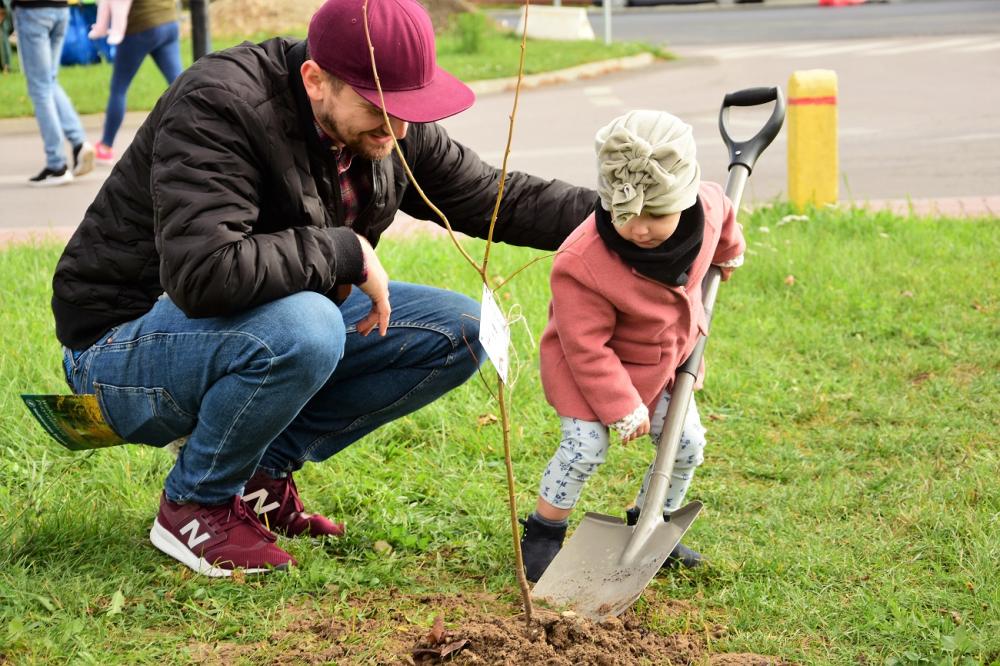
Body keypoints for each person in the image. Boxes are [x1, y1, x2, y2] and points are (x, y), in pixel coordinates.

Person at [52, 0, 596, 577]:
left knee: (457, 331)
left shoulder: (383, 117)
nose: (401, 128)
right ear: (315, 80)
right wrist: (344, 249)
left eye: (409, 109)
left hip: (252, 321)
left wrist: (633, 221)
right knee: (306, 326)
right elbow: (203, 272)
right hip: (122, 346)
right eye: (380, 109)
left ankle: (260, 475)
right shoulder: (219, 106)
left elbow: (492, 196)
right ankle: (196, 503)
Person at [518, 110, 747, 583]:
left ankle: (651, 520)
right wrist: (621, 406)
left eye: (656, 214)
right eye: (627, 214)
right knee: (585, 447)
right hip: (590, 370)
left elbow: (724, 213)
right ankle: (544, 532)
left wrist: (729, 251)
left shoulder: (703, 208)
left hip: (662, 361)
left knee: (686, 444)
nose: (640, 227)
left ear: (684, 200)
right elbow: (585, 345)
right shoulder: (582, 263)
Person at [11, 0, 95, 186]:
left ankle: (57, 165)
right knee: (49, 80)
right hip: (60, 8)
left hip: (32, 10)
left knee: (40, 88)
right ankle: (79, 143)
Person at [91, 0, 181, 165]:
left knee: (119, 88)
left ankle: (105, 147)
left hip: (140, 25)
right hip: (168, 20)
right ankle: (203, 132)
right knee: (181, 86)